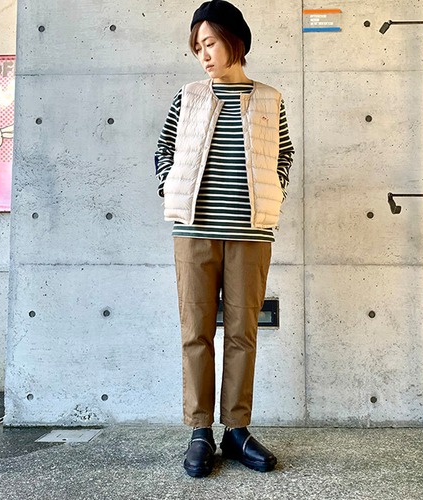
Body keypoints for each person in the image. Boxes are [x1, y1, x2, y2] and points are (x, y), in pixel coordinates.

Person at [155, 0, 294, 478]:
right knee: (195, 332)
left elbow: (284, 155)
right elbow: (164, 148)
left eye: (210, 43)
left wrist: (274, 190)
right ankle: (200, 431)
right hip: (193, 233)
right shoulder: (189, 96)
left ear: (235, 40)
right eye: (198, 47)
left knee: (242, 333)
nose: (204, 55)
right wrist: (170, 189)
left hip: (251, 234)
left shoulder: (270, 98)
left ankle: (236, 431)